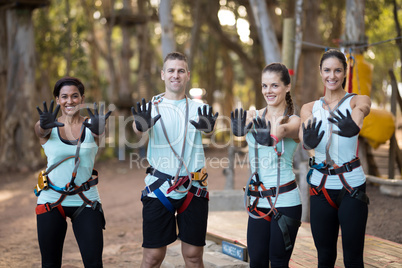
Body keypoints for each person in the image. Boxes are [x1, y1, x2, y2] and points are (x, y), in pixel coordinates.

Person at [131, 52, 218, 268]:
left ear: (188, 75)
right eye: (171, 70)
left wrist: (209, 128)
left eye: (181, 71)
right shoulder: (151, 107)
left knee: (193, 256)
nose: (175, 75)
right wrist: (140, 125)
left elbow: (209, 131)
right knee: (152, 257)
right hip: (158, 189)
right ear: (163, 74)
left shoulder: (200, 108)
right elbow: (137, 129)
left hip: (194, 188)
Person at [299, 49, 371, 267]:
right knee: (325, 256)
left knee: (353, 257)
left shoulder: (356, 100)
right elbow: (304, 134)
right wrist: (307, 140)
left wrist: (354, 124)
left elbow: (363, 109)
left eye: (338, 70)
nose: (332, 75)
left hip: (352, 187)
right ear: (320, 72)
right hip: (320, 188)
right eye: (327, 70)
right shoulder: (309, 107)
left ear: (345, 73)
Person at [34, 77, 111, 267]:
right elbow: (40, 131)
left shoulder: (93, 125)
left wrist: (99, 129)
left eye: (75, 96)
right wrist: (44, 125)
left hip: (86, 200)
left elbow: (99, 133)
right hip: (51, 200)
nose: (70, 101)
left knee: (94, 263)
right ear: (58, 99)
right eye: (64, 96)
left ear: (82, 99)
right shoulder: (46, 126)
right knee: (50, 263)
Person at [231, 63, 302, 268]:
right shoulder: (253, 116)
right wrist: (238, 130)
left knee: (279, 262)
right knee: (257, 262)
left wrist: (270, 138)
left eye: (274, 86)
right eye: (264, 86)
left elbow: (283, 131)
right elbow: (238, 128)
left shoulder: (295, 120)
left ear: (287, 87)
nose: (268, 91)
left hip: (285, 200)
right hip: (258, 201)